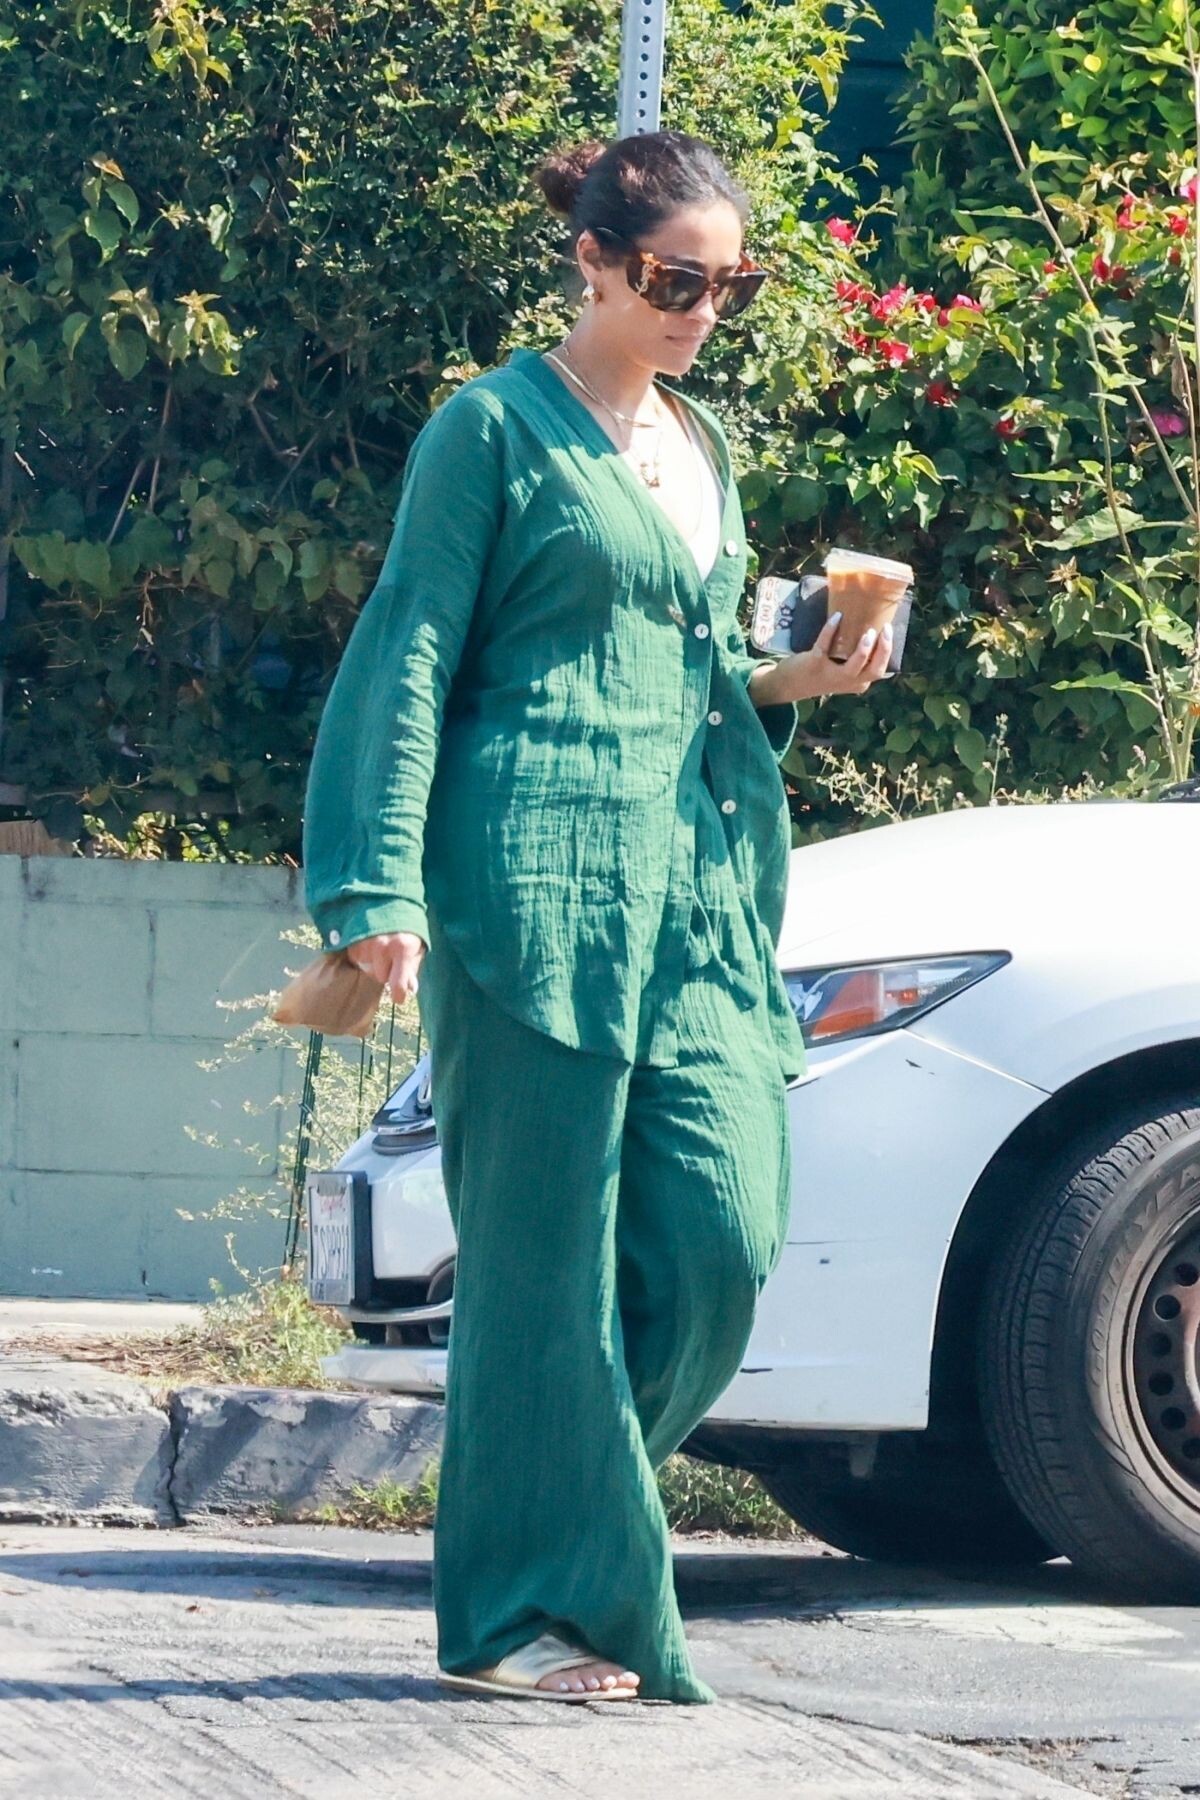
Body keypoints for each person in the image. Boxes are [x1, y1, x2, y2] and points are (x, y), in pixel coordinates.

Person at [302, 130, 892, 1706]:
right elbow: (412, 648)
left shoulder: (702, 441)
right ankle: (524, 1613)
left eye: (730, 285)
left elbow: (685, 660)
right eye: (676, 281)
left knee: (721, 1237)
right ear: (593, 258)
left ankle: (557, 1528)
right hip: (530, 886)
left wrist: (797, 673)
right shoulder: (490, 428)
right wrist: (376, 886)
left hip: (694, 888)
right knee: (541, 1270)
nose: (704, 310)